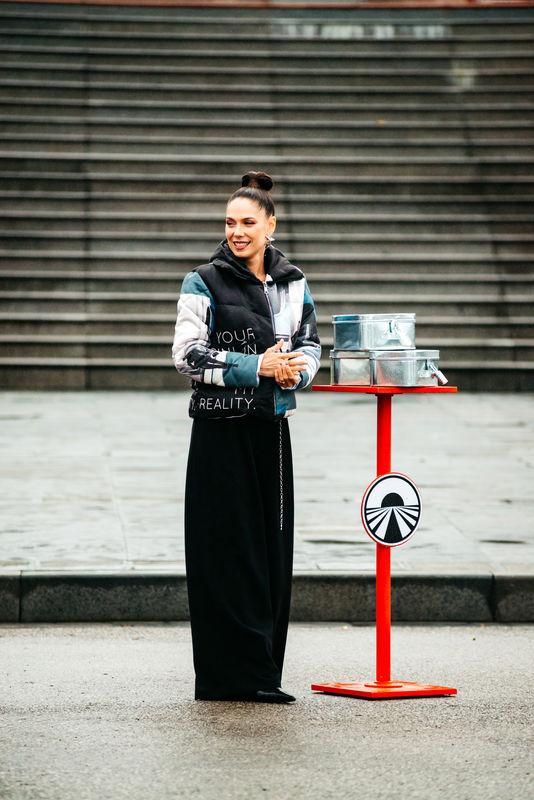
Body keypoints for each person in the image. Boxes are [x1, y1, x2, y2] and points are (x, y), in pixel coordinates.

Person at [171, 170, 321, 703]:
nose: (237, 232)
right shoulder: (202, 281)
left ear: (270, 225)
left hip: (272, 431)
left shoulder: (295, 282)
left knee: (271, 552)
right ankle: (226, 679)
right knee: (226, 553)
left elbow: (310, 343)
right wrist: (257, 366)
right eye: (230, 222)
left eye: (248, 223)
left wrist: (296, 372)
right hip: (220, 433)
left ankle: (262, 675)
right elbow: (187, 356)